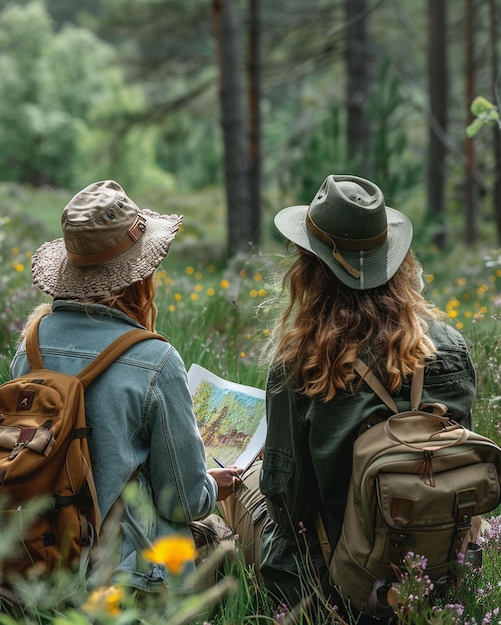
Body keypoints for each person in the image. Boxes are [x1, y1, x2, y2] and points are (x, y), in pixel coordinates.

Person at [221, 174, 477, 623]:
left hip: (334, 585)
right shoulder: (449, 345)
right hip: (438, 577)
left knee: (241, 485)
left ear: (309, 267)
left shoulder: (303, 361)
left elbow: (288, 507)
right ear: (393, 261)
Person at [10, 180, 241, 592]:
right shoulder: (155, 361)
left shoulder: (31, 345)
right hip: (128, 581)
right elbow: (181, 502)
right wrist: (211, 486)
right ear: (139, 276)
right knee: (224, 542)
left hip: (35, 562)